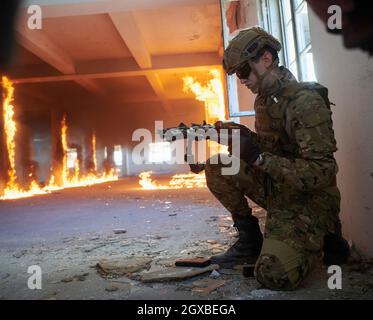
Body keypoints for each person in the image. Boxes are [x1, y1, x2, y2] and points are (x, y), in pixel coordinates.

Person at [205, 27, 349, 290]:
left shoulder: (305, 101)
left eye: (244, 71)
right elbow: (275, 148)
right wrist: (240, 137)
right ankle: (250, 242)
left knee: (273, 274)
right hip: (279, 187)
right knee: (217, 165)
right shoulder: (264, 100)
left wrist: (257, 158)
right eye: (238, 75)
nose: (242, 80)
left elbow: (322, 171)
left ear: (266, 59)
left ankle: (325, 236)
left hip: (308, 200)